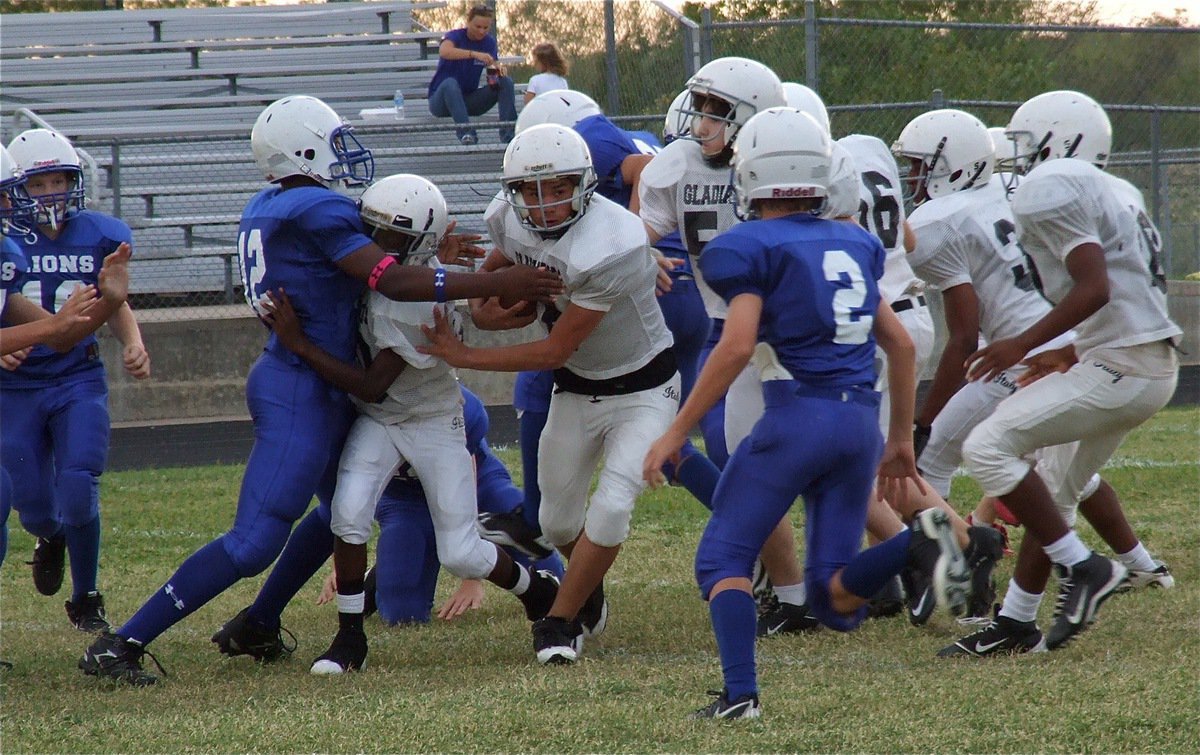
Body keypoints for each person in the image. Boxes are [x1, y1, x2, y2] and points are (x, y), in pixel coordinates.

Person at [78, 95, 561, 686]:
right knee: (254, 542)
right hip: (302, 384)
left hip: (320, 380)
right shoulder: (316, 207)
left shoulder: (273, 203)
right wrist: (505, 275)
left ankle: (260, 619)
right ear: (304, 148)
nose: (343, 155)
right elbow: (395, 277)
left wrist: (437, 249)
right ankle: (122, 641)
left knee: (337, 512)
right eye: (331, 142)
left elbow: (387, 246)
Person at [640, 107, 969, 719]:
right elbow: (898, 344)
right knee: (832, 598)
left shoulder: (743, 245)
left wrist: (675, 432)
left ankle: (740, 698)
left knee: (720, 560)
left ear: (751, 173)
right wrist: (898, 439)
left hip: (799, 418)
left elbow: (736, 345)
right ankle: (919, 539)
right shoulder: (855, 240)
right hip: (856, 425)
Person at [253, 174, 563, 674]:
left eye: (392, 239)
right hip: (381, 419)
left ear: (416, 247)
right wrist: (437, 246)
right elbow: (387, 263)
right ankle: (349, 639)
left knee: (463, 554)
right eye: (370, 230)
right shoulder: (397, 262)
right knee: (347, 515)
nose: (375, 246)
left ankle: (536, 588)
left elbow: (372, 384)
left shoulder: (417, 298)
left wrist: (299, 344)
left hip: (431, 419)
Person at [419, 123, 679, 665]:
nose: (544, 203)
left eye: (559, 187)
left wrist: (465, 355)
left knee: (609, 512)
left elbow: (554, 349)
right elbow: (497, 280)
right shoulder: (508, 216)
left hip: (644, 385)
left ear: (584, 183)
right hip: (577, 388)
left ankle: (560, 620)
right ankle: (588, 587)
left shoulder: (614, 242)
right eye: (532, 191)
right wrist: (488, 311)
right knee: (557, 523)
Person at [948, 90, 1181, 654]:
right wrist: (1071, 352)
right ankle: (1017, 622)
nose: (1022, 157)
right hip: (1141, 360)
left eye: (1029, 142)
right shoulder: (1117, 190)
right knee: (1054, 490)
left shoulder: (1054, 187)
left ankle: (1085, 568)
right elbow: (1128, 293)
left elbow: (1095, 286)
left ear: (1062, 141)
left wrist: (1019, 344)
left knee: (987, 448)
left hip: (1122, 366)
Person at [475, 90, 716, 562]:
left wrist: (637, 244)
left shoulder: (591, 137)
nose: (540, 194)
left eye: (552, 184)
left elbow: (640, 182)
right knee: (664, 437)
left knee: (538, 384)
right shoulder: (630, 138)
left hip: (647, 285)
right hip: (682, 289)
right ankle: (741, 524)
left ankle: (535, 519)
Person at [1, 128, 150, 638]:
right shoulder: (9, 241)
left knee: (79, 485)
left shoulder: (100, 233)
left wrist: (131, 339)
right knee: (32, 506)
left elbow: (112, 298)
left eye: (60, 180)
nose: (51, 193)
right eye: (38, 183)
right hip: (15, 387)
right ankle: (52, 537)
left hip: (76, 377)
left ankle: (86, 597)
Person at [313, 385, 564, 626]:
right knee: (401, 614)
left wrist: (473, 575)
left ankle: (533, 585)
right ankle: (382, 574)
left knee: (553, 577)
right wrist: (344, 564)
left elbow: (467, 484)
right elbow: (345, 498)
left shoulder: (449, 397)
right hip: (409, 501)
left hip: (477, 485)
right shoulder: (356, 403)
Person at [427, 3, 517, 146]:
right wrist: (473, 54)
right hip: (442, 102)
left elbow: (492, 66)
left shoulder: (489, 43)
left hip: (469, 100)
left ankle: (509, 136)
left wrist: (497, 70)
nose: (481, 31)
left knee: (506, 82)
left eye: (485, 28)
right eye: (477, 27)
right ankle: (467, 134)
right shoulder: (455, 36)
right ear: (468, 22)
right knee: (450, 84)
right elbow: (444, 51)